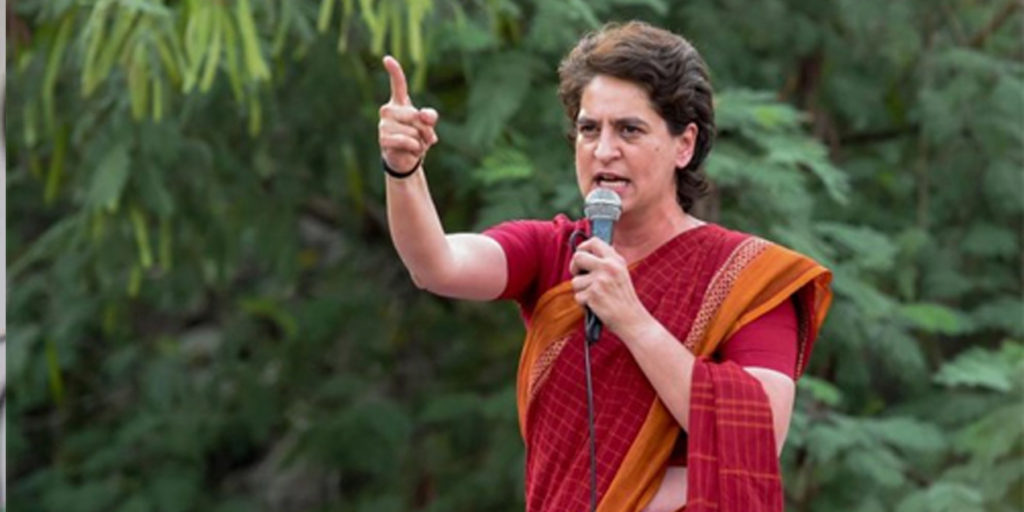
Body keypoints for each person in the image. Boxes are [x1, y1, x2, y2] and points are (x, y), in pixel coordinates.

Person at [378, 21, 832, 512]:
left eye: (629, 130)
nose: (603, 150)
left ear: (684, 144)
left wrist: (632, 320)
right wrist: (403, 169)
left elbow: (758, 434)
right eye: (589, 129)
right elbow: (436, 265)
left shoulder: (749, 277)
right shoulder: (554, 251)